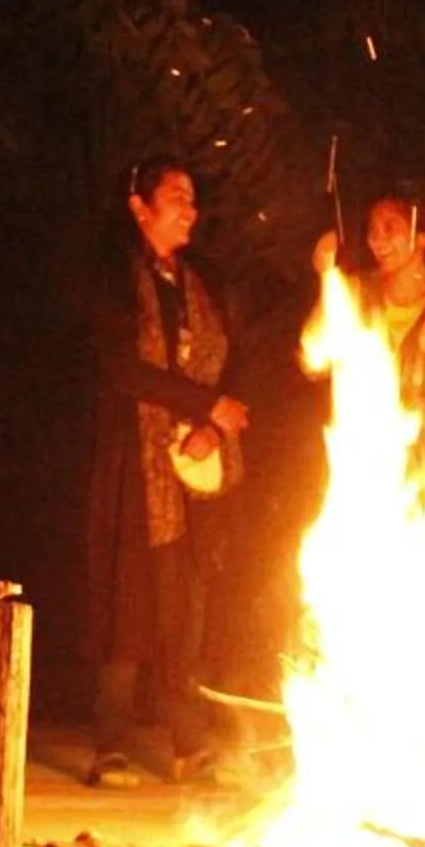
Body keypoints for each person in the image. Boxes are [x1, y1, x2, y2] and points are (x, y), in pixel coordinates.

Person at [82, 155, 250, 788]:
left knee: (186, 605)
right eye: (177, 195)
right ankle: (111, 745)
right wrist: (202, 404)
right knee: (127, 602)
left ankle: (188, 744)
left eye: (193, 197)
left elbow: (232, 363)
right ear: (140, 206)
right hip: (133, 457)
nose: (191, 208)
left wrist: (213, 424)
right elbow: (122, 368)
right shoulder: (115, 277)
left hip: (195, 461)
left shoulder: (201, 279)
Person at [311, 189, 425, 505]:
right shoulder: (358, 292)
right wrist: (328, 279)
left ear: (423, 236)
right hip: (361, 472)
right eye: (372, 231)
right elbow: (313, 359)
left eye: (390, 228)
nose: (377, 241)